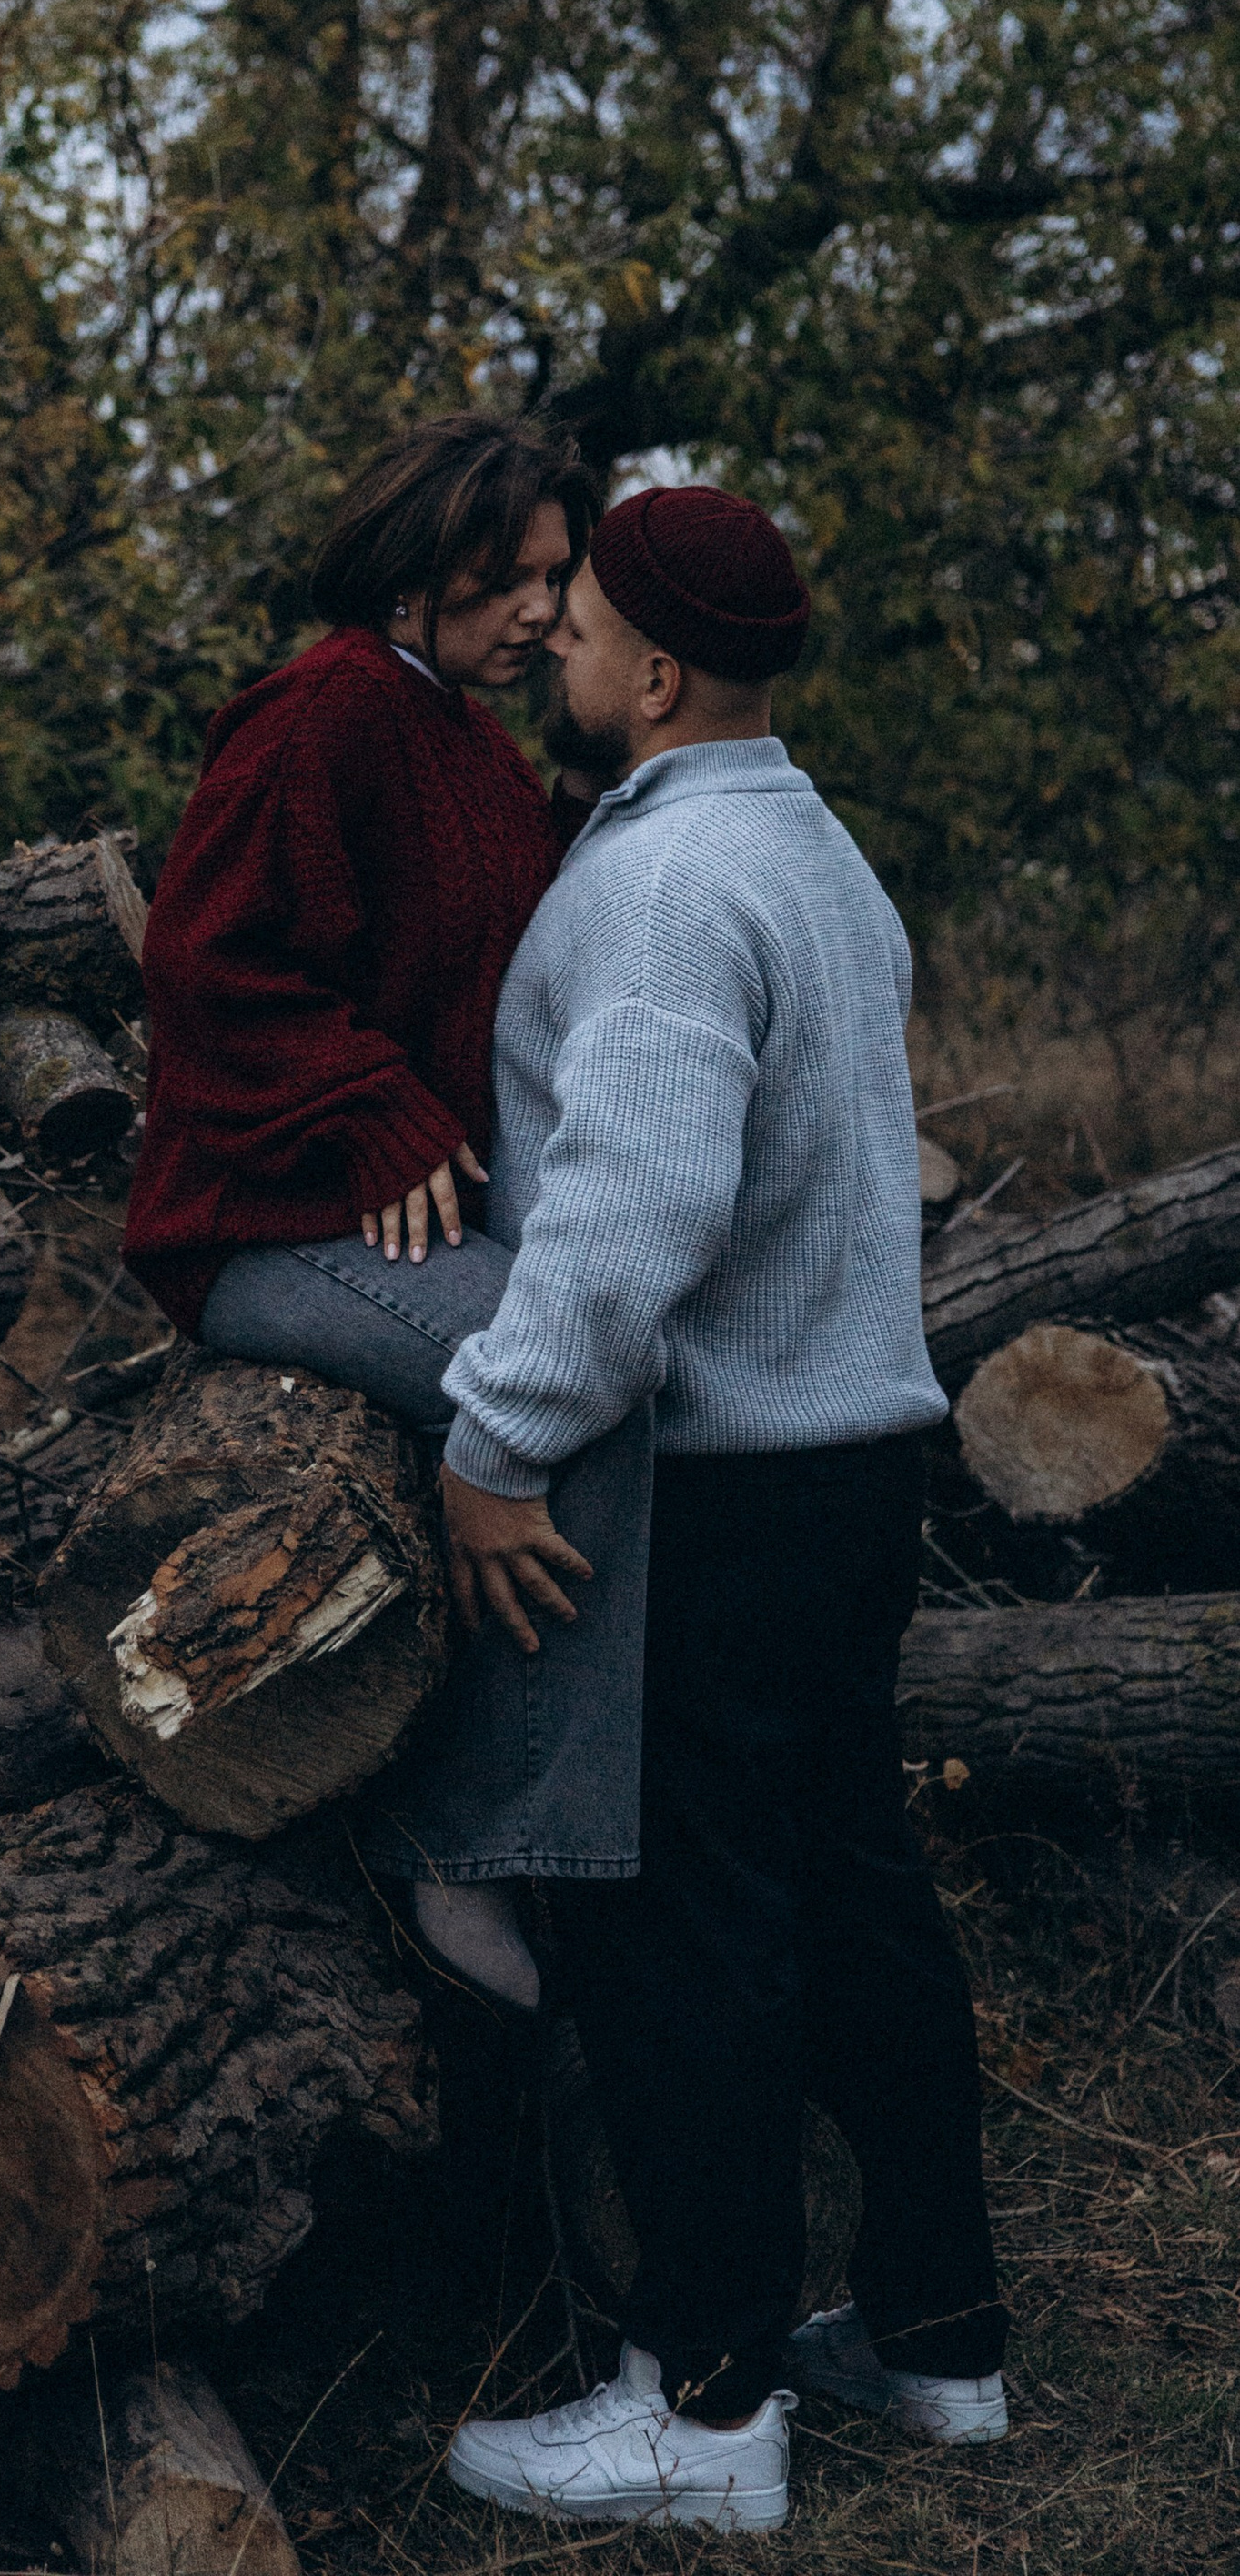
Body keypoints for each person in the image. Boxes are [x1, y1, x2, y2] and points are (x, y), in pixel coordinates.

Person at [435, 485, 1006, 2540]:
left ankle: (701, 2401)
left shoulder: (667, 885)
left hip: (719, 1485)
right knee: (850, 1894)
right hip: (853, 1464)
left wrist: (492, 1438)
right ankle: (938, 2338)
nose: (553, 646)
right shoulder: (817, 857)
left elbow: (628, 1218)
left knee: (683, 1929)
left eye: (573, 622)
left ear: (653, 672)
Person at [122, 413, 646, 2014]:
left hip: (376, 1230)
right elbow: (203, 963)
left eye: (560, 583)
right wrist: (369, 1105)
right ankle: (473, 1841)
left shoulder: (471, 743)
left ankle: (566, 1817)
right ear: (422, 570)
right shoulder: (321, 709)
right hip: (258, 1224)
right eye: (513, 582)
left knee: (598, 1363)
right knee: (569, 1387)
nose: (544, 617)